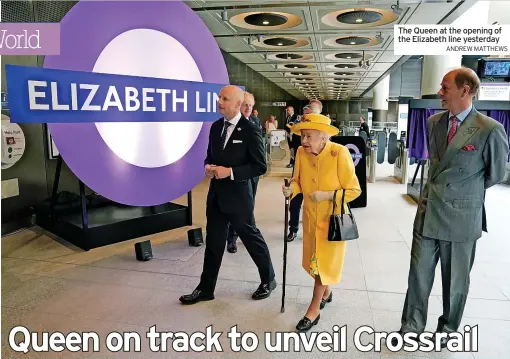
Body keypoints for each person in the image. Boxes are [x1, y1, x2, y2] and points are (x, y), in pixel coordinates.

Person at [393, 68, 509, 347]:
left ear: (464, 90)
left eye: (445, 88)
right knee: (418, 275)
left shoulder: (489, 129)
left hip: (461, 217)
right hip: (428, 211)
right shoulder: (434, 122)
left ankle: (447, 329)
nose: (440, 93)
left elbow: (496, 173)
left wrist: (464, 194)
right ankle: (411, 326)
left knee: (455, 281)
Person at [179, 85, 277, 305]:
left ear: (237, 104)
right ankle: (206, 289)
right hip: (216, 196)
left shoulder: (250, 130)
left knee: (251, 239)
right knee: (213, 242)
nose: (219, 101)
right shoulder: (215, 128)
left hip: (239, 198)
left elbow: (260, 166)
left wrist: (230, 172)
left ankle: (268, 280)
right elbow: (209, 156)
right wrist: (208, 167)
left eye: (224, 98)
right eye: (219, 97)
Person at [282, 113, 361, 332]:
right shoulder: (300, 152)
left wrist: (327, 195)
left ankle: (313, 309)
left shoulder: (339, 153)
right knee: (314, 264)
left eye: (308, 136)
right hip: (310, 218)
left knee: (323, 266)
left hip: (332, 222)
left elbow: (355, 191)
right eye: (302, 136)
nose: (303, 141)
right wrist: (291, 189)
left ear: (323, 138)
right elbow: (297, 181)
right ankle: (326, 292)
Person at [226, 92, 259, 253]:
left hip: (252, 175)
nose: (248, 108)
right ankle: (231, 239)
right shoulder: (230, 125)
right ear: (239, 105)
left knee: (248, 207)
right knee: (235, 208)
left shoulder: (254, 123)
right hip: (236, 175)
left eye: (251, 105)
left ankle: (247, 236)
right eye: (245, 104)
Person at [287, 102, 319, 242]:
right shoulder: (301, 145)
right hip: (301, 173)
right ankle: (293, 229)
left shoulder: (324, 132)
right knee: (295, 202)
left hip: (318, 176)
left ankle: (316, 231)